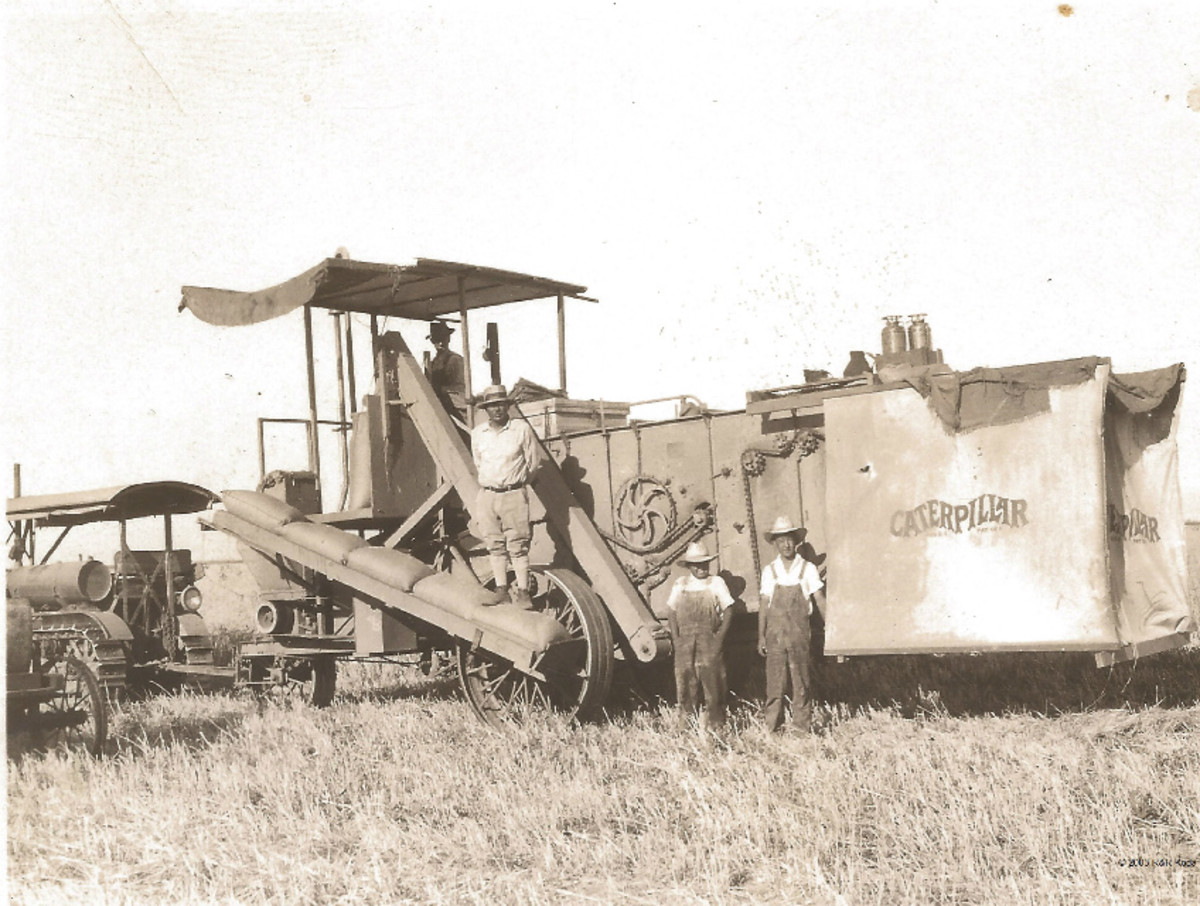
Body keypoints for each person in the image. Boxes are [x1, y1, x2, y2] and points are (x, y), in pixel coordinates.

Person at [471, 384, 544, 608]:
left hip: (513, 494)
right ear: (486, 409)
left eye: (501, 405)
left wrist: (517, 485)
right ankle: (501, 589)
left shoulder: (520, 429)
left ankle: (523, 592)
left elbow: (534, 464)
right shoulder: (478, 434)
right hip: (487, 495)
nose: (497, 410)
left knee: (518, 544)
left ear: (507, 406)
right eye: (492, 406)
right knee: (494, 543)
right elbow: (478, 463)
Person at [758, 515, 825, 732]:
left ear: (795, 541)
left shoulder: (808, 569)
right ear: (775, 544)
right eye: (781, 540)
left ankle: (801, 729)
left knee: (801, 683)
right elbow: (764, 604)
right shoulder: (770, 571)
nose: (786, 544)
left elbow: (820, 600)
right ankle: (772, 728)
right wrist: (761, 635)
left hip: (799, 634)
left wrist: (830, 626)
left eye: (789, 539)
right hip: (775, 635)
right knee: (775, 684)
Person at [666, 540, 735, 730]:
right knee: (685, 683)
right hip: (685, 642)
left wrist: (718, 639)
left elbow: (729, 610)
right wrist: (677, 639)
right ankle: (686, 725)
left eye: (705, 563)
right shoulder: (680, 584)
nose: (701, 568)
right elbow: (671, 611)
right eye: (697, 565)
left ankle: (717, 725)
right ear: (689, 566)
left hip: (708, 639)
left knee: (714, 683)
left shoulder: (716, 582)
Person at [425, 321, 466, 421]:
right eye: (437, 340)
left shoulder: (455, 359)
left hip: (455, 406)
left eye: (443, 339)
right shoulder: (432, 362)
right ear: (432, 342)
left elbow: (460, 388)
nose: (441, 343)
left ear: (448, 339)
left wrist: (438, 389)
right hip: (438, 403)